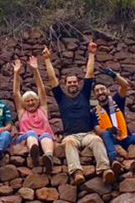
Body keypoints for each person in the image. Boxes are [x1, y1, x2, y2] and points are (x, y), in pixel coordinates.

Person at [42, 42, 114, 185]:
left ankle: (105, 170)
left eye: (75, 82)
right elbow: (52, 79)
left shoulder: (84, 94)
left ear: (78, 83)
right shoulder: (61, 98)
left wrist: (92, 54)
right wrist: (47, 60)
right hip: (71, 136)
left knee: (97, 140)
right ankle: (77, 172)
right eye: (70, 82)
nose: (73, 84)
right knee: (68, 143)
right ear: (66, 84)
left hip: (88, 134)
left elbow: (90, 74)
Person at [94, 68, 135, 174]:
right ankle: (114, 159)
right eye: (97, 91)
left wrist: (114, 75)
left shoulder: (116, 101)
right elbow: (98, 130)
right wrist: (109, 130)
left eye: (102, 89)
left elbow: (125, 85)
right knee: (106, 133)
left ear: (108, 91)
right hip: (113, 140)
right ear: (95, 95)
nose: (100, 92)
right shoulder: (95, 111)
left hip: (126, 137)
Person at [12, 57, 55, 174]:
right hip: (28, 137)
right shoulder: (22, 112)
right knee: (31, 134)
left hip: (44, 136)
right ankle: (34, 154)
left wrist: (35, 70)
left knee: (46, 135)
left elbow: (41, 89)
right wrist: (16, 73)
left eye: (33, 100)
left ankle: (48, 157)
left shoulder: (42, 109)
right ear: (23, 103)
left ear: (37, 101)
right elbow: (16, 94)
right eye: (27, 101)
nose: (30, 103)